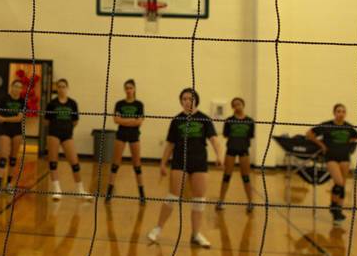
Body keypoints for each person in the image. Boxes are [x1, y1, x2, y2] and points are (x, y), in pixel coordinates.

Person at [147, 88, 222, 247]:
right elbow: (170, 144)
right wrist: (163, 163)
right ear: (181, 101)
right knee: (173, 197)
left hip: (199, 162)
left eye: (190, 98)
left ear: (196, 100)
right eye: (184, 99)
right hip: (180, 161)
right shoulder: (177, 120)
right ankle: (158, 228)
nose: (187, 101)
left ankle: (196, 234)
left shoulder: (204, 119)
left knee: (199, 200)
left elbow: (214, 140)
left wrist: (219, 155)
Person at [307, 104, 357, 224]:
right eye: (338, 111)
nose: (341, 113)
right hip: (331, 157)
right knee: (339, 182)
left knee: (342, 185)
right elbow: (309, 133)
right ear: (334, 112)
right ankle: (334, 206)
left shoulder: (349, 128)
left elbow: (354, 137)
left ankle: (337, 210)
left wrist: (345, 147)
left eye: (343, 111)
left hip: (345, 157)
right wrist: (322, 145)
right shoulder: (327, 125)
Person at [44, 78, 90, 200]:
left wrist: (66, 128)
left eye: (63, 86)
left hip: (67, 135)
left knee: (75, 163)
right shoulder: (52, 104)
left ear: (67, 88)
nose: (61, 89)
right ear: (57, 89)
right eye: (59, 86)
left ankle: (80, 190)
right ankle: (56, 189)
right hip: (53, 134)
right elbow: (46, 121)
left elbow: (75, 121)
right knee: (53, 162)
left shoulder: (72, 103)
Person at [105, 79, 145, 203]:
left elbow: (139, 121)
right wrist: (131, 121)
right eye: (126, 88)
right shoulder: (119, 104)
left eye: (130, 88)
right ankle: (109, 193)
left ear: (134, 89)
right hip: (121, 135)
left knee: (137, 165)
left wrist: (125, 120)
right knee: (115, 164)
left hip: (134, 135)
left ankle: (142, 194)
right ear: (124, 90)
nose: (128, 90)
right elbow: (116, 120)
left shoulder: (139, 104)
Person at [0, 78, 26, 197]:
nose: (17, 89)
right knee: (3, 157)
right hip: (5, 130)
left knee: (13, 158)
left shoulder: (23, 101)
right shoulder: (4, 98)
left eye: (19, 87)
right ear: (11, 87)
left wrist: (4, 119)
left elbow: (19, 118)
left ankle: (9, 184)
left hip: (17, 131)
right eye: (15, 86)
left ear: (21, 89)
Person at [216, 97, 255, 213]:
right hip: (231, 150)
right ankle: (221, 201)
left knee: (246, 177)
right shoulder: (229, 121)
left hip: (244, 150)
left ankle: (250, 202)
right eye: (235, 105)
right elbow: (225, 135)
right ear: (233, 107)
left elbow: (250, 136)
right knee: (227, 175)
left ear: (243, 105)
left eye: (239, 104)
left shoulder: (250, 121)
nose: (237, 107)